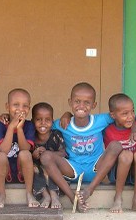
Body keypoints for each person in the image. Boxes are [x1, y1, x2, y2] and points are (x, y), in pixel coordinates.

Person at [40, 82, 130, 212]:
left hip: (97, 167)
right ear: (70, 102)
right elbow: (40, 125)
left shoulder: (101, 120)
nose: (81, 106)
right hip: (73, 168)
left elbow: (125, 117)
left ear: (94, 105)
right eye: (77, 101)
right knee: (46, 157)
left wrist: (134, 128)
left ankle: (89, 190)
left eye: (87, 102)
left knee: (116, 146)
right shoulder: (62, 123)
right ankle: (72, 198)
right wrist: (67, 114)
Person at [0, 88, 39, 208]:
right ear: (7, 106)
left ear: (29, 108)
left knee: (25, 154)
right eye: (16, 105)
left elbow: (26, 148)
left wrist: (19, 129)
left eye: (25, 106)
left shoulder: (29, 126)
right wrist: (11, 127)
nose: (20, 109)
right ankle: (1, 194)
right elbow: (3, 150)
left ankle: (29, 193)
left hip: (22, 172)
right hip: (5, 171)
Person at [104, 93, 136, 214]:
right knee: (126, 154)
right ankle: (118, 198)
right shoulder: (107, 130)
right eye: (125, 113)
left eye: (132, 111)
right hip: (116, 172)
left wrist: (134, 125)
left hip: (135, 173)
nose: (130, 116)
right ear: (113, 115)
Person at [31, 102, 66, 209]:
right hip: (37, 168)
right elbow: (28, 155)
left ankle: (54, 195)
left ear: (52, 121)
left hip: (53, 165)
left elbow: (63, 153)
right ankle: (46, 196)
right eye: (38, 119)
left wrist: (48, 154)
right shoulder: (31, 135)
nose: (43, 123)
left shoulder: (56, 135)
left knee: (49, 166)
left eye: (47, 120)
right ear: (32, 121)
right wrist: (34, 155)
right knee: (35, 169)